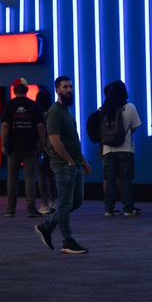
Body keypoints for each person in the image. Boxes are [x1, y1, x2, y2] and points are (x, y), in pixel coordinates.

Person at [35, 76, 91, 254]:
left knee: (76, 202)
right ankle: (67, 241)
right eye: (65, 87)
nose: (69, 90)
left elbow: (71, 139)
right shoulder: (55, 112)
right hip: (63, 164)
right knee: (66, 204)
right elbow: (54, 140)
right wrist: (67, 159)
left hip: (73, 163)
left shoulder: (66, 111)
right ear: (57, 90)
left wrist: (81, 161)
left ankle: (47, 226)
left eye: (71, 86)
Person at [1, 78, 45, 217]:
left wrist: (3, 144)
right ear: (26, 89)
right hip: (30, 146)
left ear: (14, 90)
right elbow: (40, 127)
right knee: (29, 177)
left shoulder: (9, 105)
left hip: (13, 146)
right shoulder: (33, 105)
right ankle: (31, 209)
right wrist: (43, 145)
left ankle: (10, 209)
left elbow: (5, 126)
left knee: (12, 178)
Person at [98, 82, 142, 218]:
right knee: (125, 179)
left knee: (109, 179)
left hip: (108, 149)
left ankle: (108, 209)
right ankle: (128, 208)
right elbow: (134, 127)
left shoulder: (104, 108)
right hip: (125, 148)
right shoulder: (129, 107)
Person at [34, 87, 56, 215]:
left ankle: (44, 204)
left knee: (42, 175)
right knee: (52, 175)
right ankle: (53, 201)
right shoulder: (53, 112)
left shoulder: (36, 113)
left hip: (39, 147)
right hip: (53, 146)